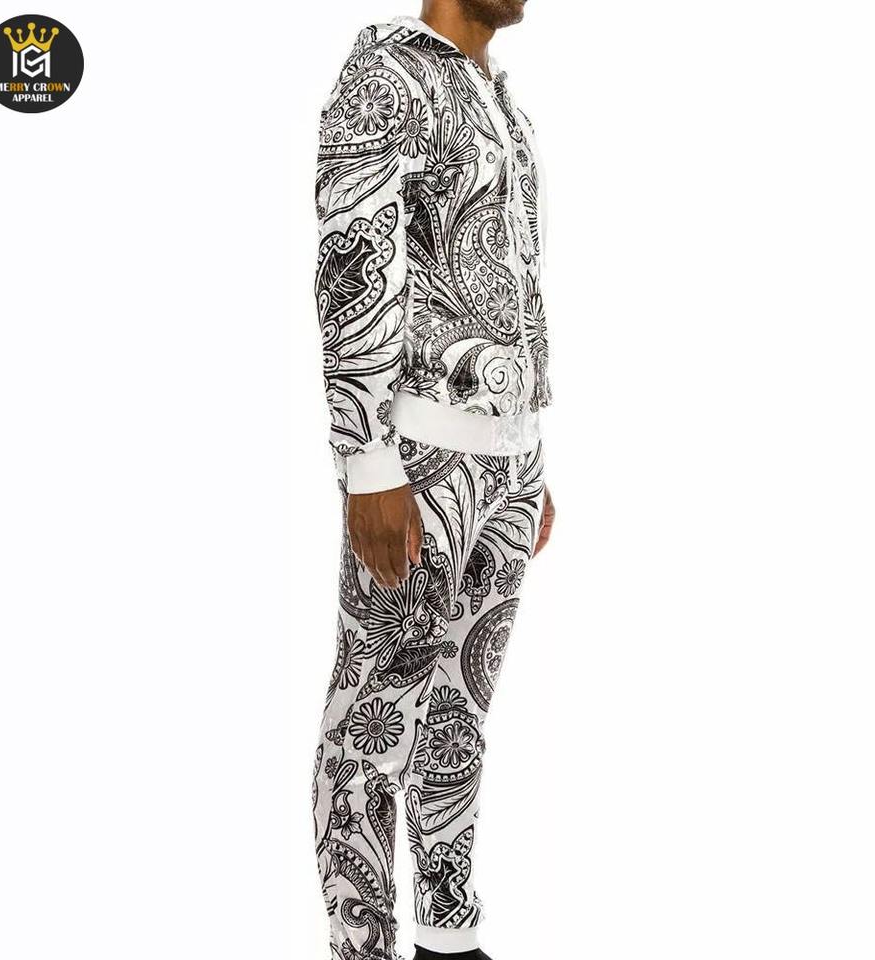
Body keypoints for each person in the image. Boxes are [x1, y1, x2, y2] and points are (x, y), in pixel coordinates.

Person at [312, 3, 555, 958]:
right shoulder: (388, 76)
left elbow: (517, 282)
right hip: (417, 463)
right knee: (371, 727)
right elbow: (352, 266)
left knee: (460, 713)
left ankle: (448, 937)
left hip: (507, 463)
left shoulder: (501, 100)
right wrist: (367, 461)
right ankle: (361, 949)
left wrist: (530, 450)